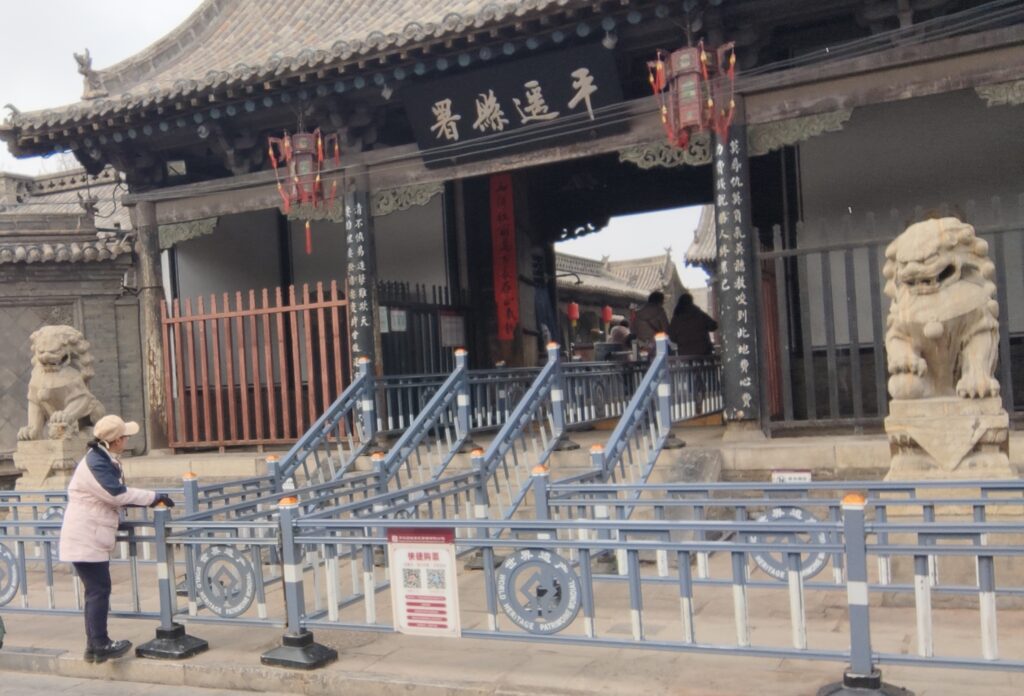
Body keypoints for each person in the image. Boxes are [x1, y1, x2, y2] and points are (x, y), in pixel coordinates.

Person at [59, 415, 174, 664]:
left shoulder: (101, 458)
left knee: (96, 591)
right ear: (115, 440)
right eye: (125, 437)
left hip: (87, 534)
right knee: (99, 591)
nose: (127, 440)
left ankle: (95, 646)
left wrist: (149, 498)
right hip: (85, 536)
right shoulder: (96, 463)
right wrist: (154, 497)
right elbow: (116, 494)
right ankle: (100, 644)